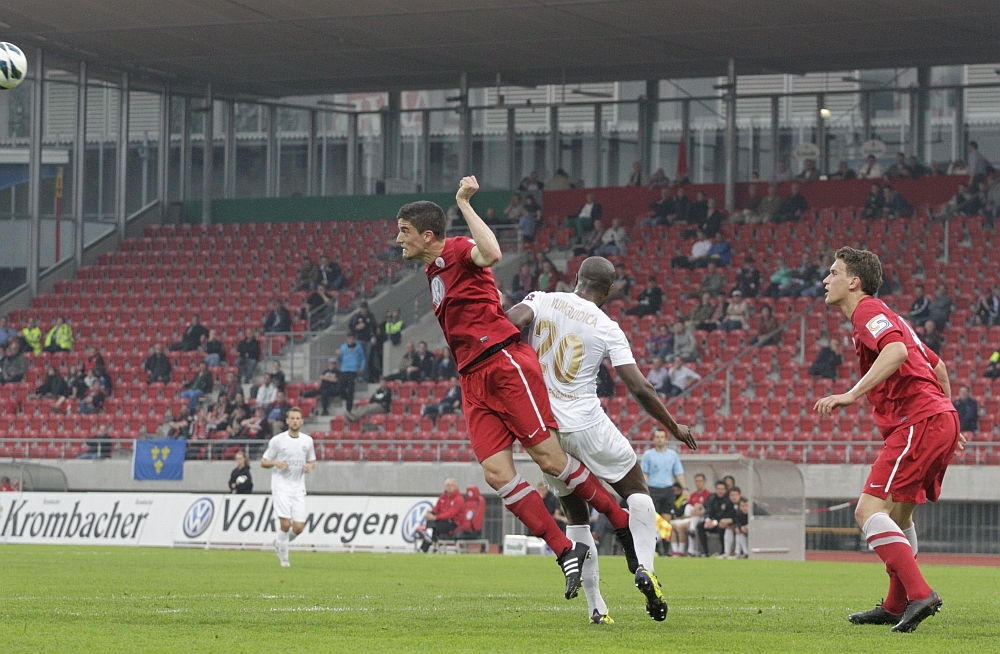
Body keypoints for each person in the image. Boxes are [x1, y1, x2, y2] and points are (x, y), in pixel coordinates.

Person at [397, 178, 646, 603]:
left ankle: (619, 520)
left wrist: (463, 203)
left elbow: (491, 253)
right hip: (472, 378)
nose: (398, 238)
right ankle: (565, 550)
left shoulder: (458, 248)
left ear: (428, 234)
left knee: (550, 460)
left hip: (503, 364)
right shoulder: (433, 269)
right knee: (496, 474)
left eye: (404, 231)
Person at [507, 255, 696, 623]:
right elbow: (639, 387)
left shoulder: (543, 298)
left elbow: (512, 320)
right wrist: (673, 426)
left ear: (577, 277)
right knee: (635, 486)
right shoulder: (607, 327)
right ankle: (645, 568)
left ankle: (597, 608)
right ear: (608, 290)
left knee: (576, 514)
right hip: (585, 422)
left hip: (546, 430)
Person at [815, 246, 961, 633]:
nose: (826, 280)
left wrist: (851, 394)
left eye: (833, 273)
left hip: (919, 421)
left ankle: (921, 593)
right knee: (899, 516)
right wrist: (948, 418)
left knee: (867, 510)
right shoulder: (889, 317)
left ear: (854, 282)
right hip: (936, 419)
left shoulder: (868, 311)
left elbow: (895, 351)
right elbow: (938, 367)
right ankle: (896, 605)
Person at [261, 408, 316, 567]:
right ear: (287, 421)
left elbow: (311, 460)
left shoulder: (307, 441)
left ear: (302, 421)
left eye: (298, 418)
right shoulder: (278, 441)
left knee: (298, 528)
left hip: (298, 488)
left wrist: (309, 466)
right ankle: (284, 560)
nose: (295, 421)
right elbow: (264, 461)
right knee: (285, 524)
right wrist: (275, 463)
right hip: (281, 486)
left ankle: (279, 542)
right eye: (292, 418)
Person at [641, 428, 687, 525]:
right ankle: (654, 534)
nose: (660, 439)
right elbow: (644, 474)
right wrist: (642, 489)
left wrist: (685, 489)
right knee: (653, 517)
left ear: (666, 439)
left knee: (667, 518)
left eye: (662, 437)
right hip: (653, 489)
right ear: (654, 439)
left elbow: (679, 473)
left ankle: (665, 535)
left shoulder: (673, 455)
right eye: (657, 437)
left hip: (667, 489)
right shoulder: (648, 455)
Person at [418, 478, 465, 552]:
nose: (449, 487)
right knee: (431, 521)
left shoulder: (459, 499)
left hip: (452, 523)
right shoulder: (443, 497)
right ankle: (428, 537)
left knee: (433, 527)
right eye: (448, 485)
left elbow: (450, 514)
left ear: (456, 487)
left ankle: (425, 542)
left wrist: (435, 517)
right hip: (441, 521)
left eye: (452, 485)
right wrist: (429, 514)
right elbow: (436, 509)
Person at [697, 480, 731, 556]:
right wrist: (707, 519)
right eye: (718, 489)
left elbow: (727, 515)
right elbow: (708, 510)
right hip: (711, 522)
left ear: (725, 490)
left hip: (721, 523)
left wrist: (715, 522)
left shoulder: (728, 500)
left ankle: (723, 551)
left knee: (722, 527)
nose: (720, 491)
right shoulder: (711, 498)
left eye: (722, 489)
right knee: (700, 526)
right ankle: (705, 552)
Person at [338, 334, 366, 412]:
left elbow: (363, 358)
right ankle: (347, 399)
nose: (350, 340)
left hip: (353, 370)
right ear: (347, 339)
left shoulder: (358, 347)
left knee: (351, 389)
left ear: (354, 339)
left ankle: (349, 409)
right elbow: (340, 359)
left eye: (352, 339)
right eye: (349, 338)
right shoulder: (343, 347)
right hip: (344, 369)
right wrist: (338, 356)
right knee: (339, 388)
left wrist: (361, 368)